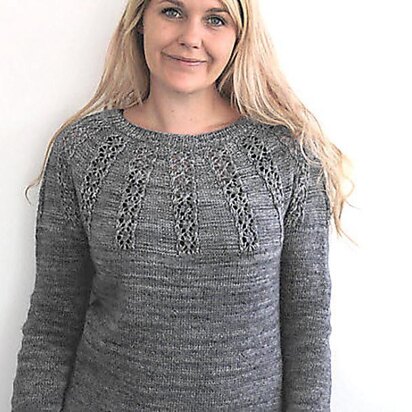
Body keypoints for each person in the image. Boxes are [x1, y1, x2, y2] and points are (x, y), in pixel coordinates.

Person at [11, 0, 355, 410]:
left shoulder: (289, 156)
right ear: (141, 21)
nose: (191, 37)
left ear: (240, 36)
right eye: (172, 11)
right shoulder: (81, 150)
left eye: (216, 19)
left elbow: (307, 331)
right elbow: (53, 322)